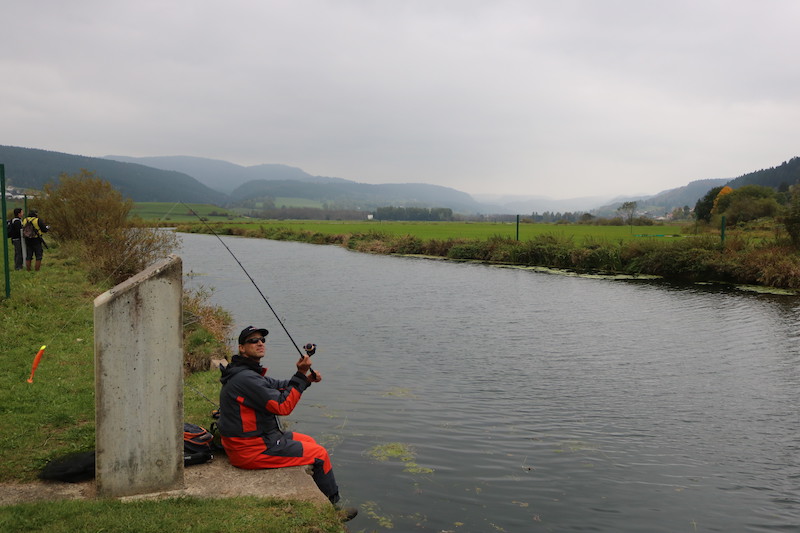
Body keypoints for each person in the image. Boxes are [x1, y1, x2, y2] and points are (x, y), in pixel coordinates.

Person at [218, 326, 357, 521]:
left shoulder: (246, 372)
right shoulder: (246, 377)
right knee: (320, 454)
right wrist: (300, 373)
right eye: (253, 341)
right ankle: (334, 511)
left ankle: (319, 494)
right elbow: (282, 406)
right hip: (250, 450)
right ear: (242, 348)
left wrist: (305, 379)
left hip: (261, 437)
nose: (260, 343)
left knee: (309, 441)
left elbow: (278, 385)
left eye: (262, 340)